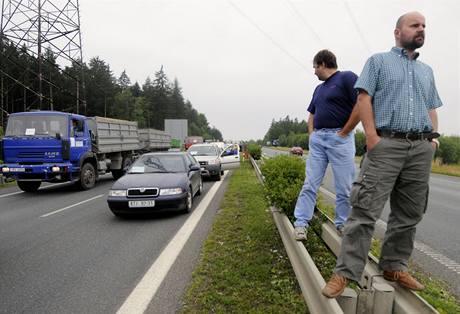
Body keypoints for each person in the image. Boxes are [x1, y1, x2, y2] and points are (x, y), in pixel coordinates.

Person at [322, 11, 442, 298]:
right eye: (415, 25)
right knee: (365, 211)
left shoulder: (427, 71)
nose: (421, 29)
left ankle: (394, 266)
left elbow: (432, 107)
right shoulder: (378, 62)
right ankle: (345, 273)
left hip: (420, 147)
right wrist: (373, 137)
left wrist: (433, 141)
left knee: (409, 213)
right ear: (398, 32)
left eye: (424, 26)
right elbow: (364, 99)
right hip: (386, 144)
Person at [293, 49, 360, 241]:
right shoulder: (319, 89)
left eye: (315, 67)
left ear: (322, 64)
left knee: (344, 187)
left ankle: (343, 225)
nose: (314, 71)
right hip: (318, 140)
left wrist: (345, 132)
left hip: (340, 139)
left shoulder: (347, 78)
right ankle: (300, 224)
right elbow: (312, 114)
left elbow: (361, 104)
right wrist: (312, 134)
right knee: (310, 183)